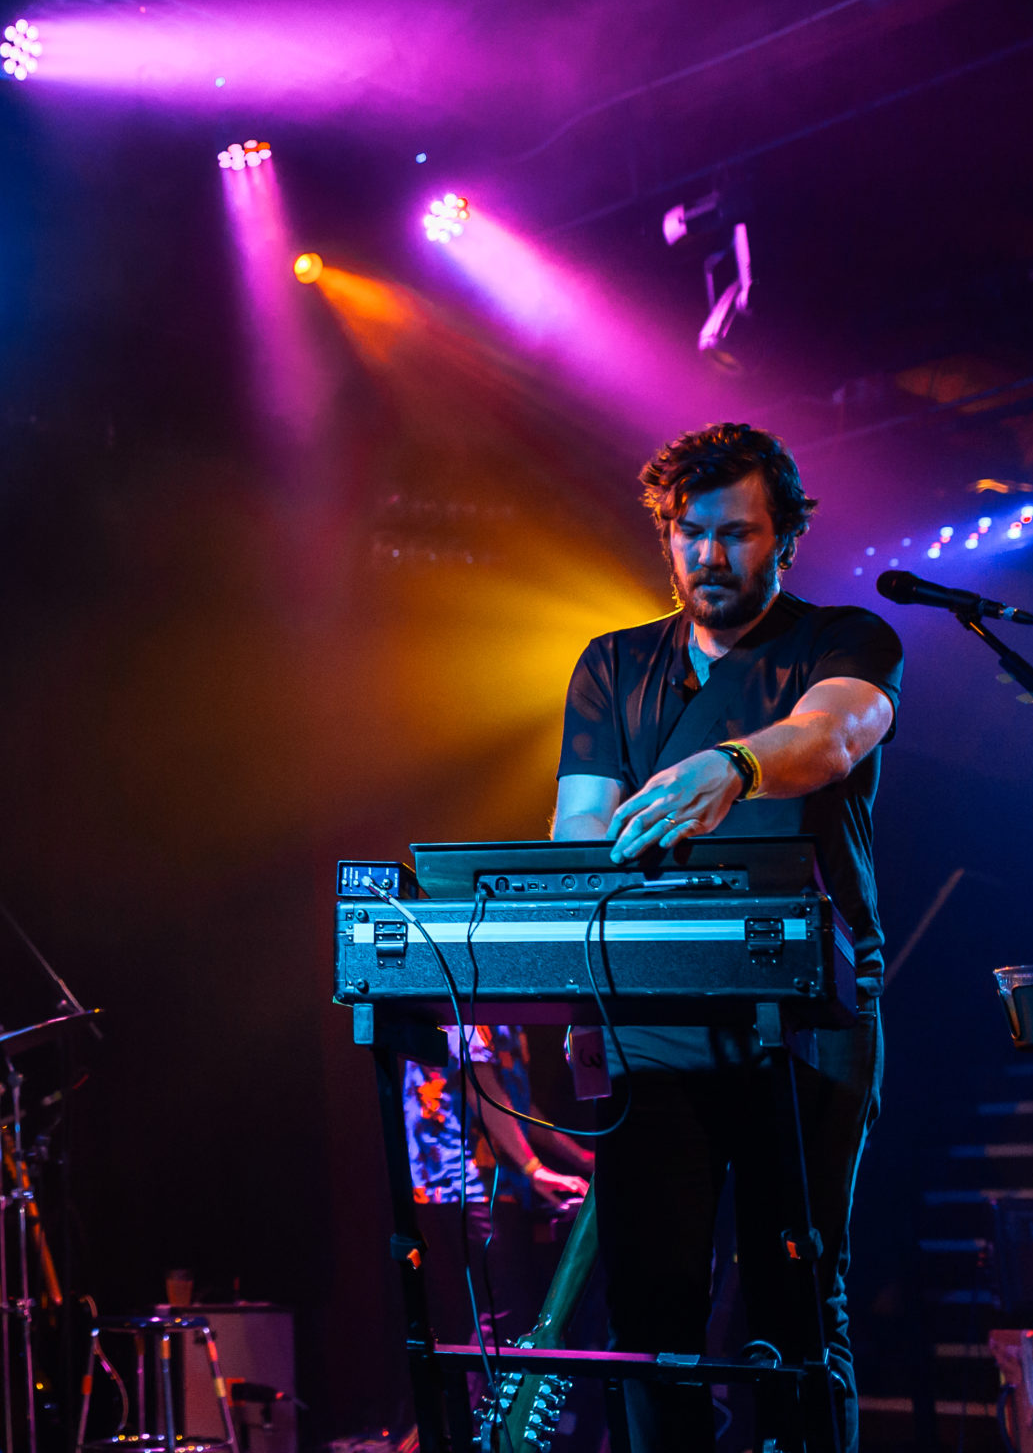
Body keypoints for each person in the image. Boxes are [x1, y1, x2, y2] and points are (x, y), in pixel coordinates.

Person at [551, 424, 900, 1453]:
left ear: (784, 536)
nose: (708, 556)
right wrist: (580, 1007)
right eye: (687, 533)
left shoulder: (843, 639)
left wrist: (732, 767)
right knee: (650, 1318)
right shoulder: (612, 666)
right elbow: (578, 840)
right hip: (653, 1023)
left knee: (794, 1305)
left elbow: (831, 733)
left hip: (812, 1021)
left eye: (735, 534)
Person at [402, 1026, 591, 1354]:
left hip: (489, 1186)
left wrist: (585, 1159)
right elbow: (481, 1090)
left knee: (498, 1315)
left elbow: (515, 1107)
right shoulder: (473, 995)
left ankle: (487, 1402)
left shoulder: (508, 1017)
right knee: (493, 1320)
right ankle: (488, 1406)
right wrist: (535, 1169)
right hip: (463, 1184)